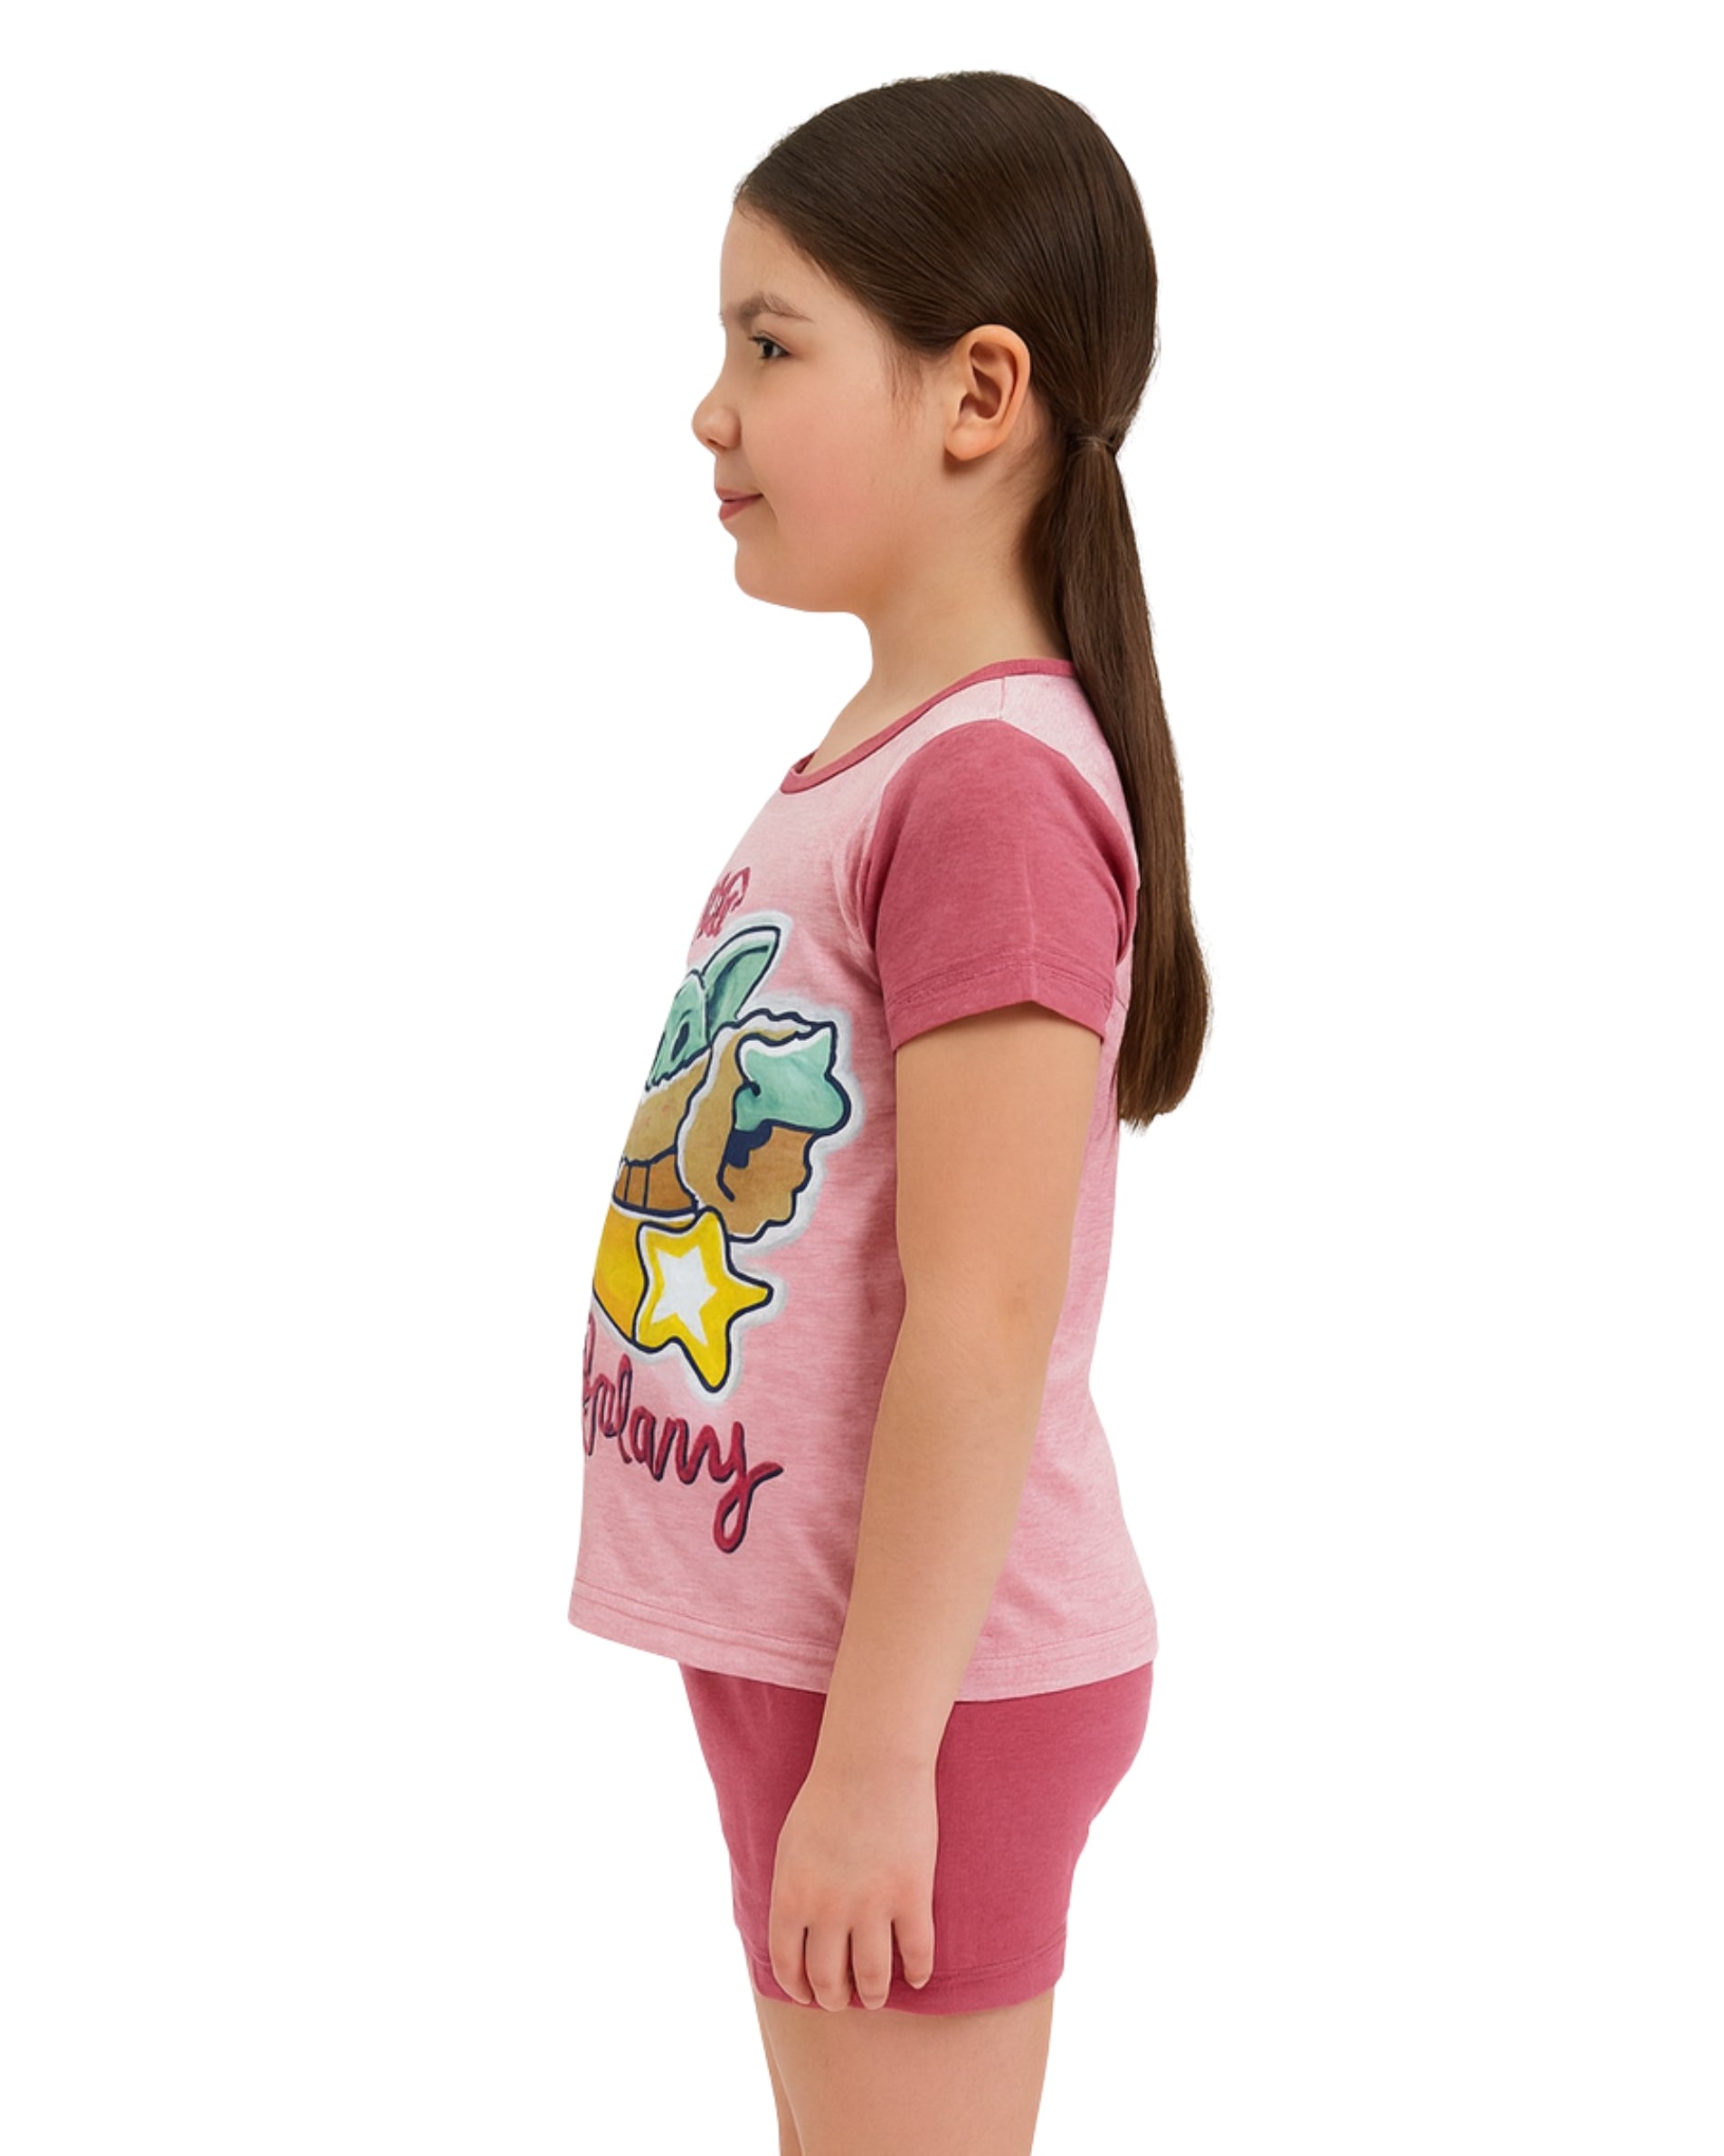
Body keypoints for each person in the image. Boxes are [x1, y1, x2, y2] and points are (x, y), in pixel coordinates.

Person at [566, 69, 1211, 2156]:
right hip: (842, 1657)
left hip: (921, 1687)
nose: (711, 412)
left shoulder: (987, 787)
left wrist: (874, 1763)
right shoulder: (890, 754)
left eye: (769, 346)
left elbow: (980, 1315)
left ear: (975, 393)